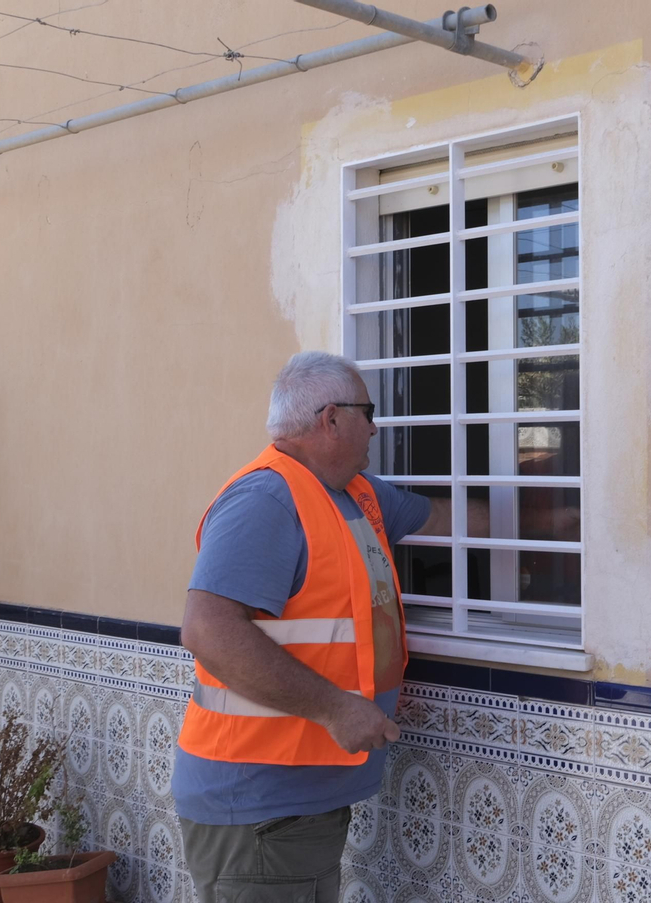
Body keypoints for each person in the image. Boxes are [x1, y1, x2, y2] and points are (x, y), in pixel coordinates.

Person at [173, 350, 466, 903]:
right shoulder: (266, 499)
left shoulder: (355, 494)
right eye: (368, 412)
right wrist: (336, 708)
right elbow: (207, 630)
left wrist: (554, 517)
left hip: (293, 805)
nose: (377, 427)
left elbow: (452, 518)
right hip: (260, 810)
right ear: (330, 419)